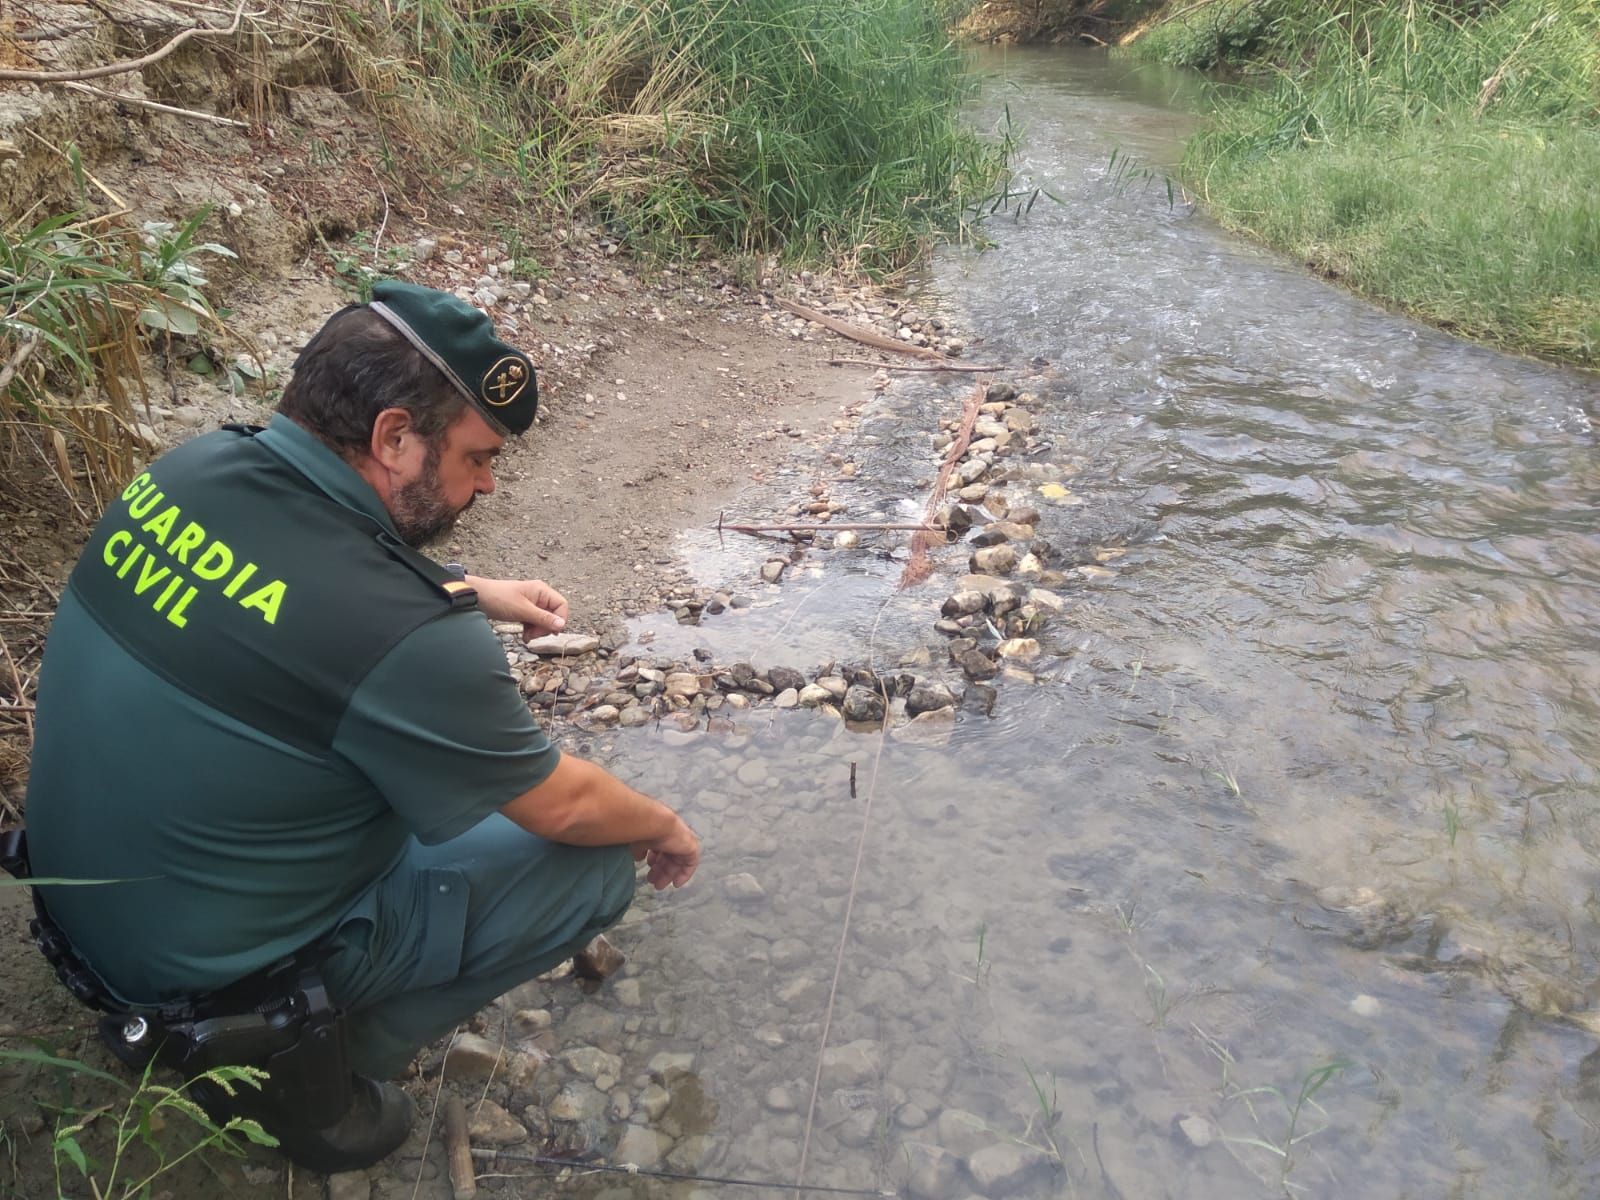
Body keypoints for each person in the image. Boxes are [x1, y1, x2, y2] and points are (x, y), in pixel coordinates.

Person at [21, 281, 699, 1171]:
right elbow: (563, 807)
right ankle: (308, 1075)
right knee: (596, 865)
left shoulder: (187, 472)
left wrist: (469, 588)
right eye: (477, 458)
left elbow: (282, 599)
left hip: (79, 921)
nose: (487, 485)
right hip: (201, 988)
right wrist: (664, 823)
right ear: (392, 438)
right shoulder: (413, 640)